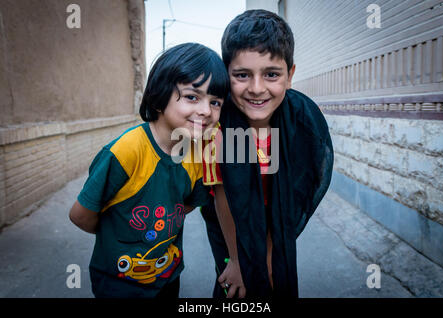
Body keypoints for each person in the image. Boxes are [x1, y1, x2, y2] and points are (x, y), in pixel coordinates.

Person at [69, 42, 229, 298]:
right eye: (192, 97)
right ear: (159, 95)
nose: (205, 111)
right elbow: (80, 215)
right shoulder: (125, 151)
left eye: (216, 102)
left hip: (168, 277)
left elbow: (186, 205)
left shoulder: (197, 155)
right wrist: (120, 234)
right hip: (118, 283)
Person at [201, 10, 334, 298]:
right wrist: (237, 260)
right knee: (235, 285)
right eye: (242, 75)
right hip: (230, 230)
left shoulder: (301, 125)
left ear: (290, 76)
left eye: (271, 74)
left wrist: (271, 253)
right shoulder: (219, 128)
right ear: (226, 74)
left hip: (277, 221)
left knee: (274, 279)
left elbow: (295, 194)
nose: (257, 89)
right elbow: (224, 198)